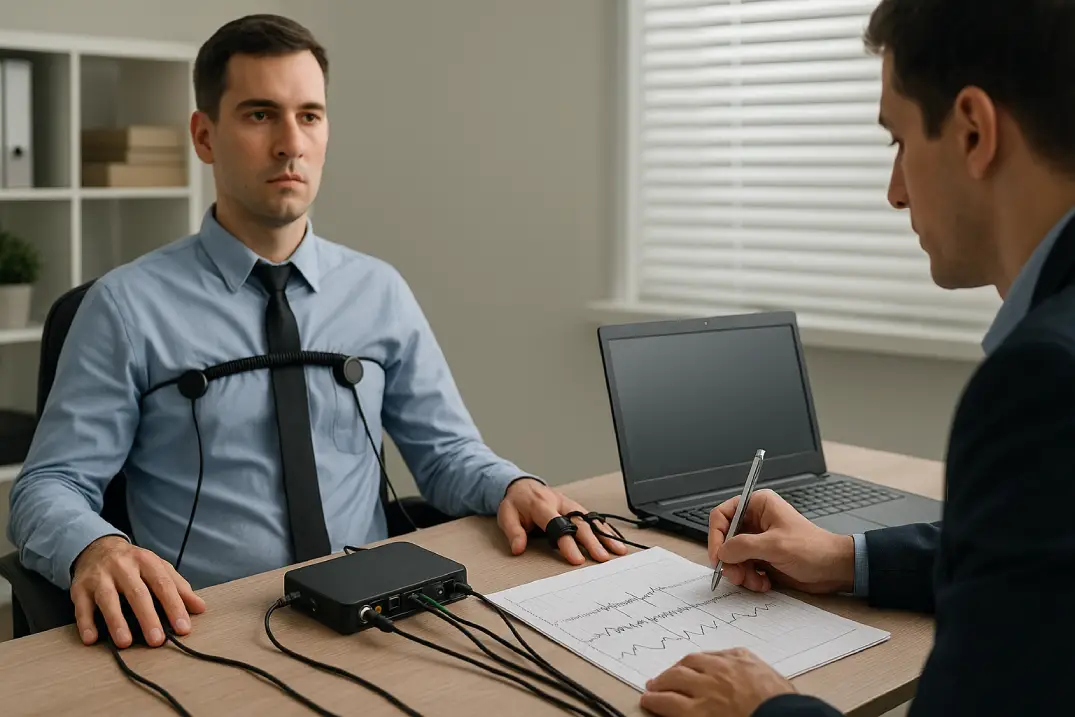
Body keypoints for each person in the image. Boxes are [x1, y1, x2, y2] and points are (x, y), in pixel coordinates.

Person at [6, 14, 626, 652]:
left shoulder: (379, 291)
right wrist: (97, 546)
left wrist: (512, 483)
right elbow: (48, 486)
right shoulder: (124, 307)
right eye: (258, 115)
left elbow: (444, 455)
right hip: (205, 631)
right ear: (204, 135)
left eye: (309, 115)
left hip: (373, 620)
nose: (290, 143)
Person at [638, 1, 1075, 716]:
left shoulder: (1043, 381)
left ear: (972, 131)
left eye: (897, 141)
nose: (894, 191)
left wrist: (764, 707)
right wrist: (844, 558)